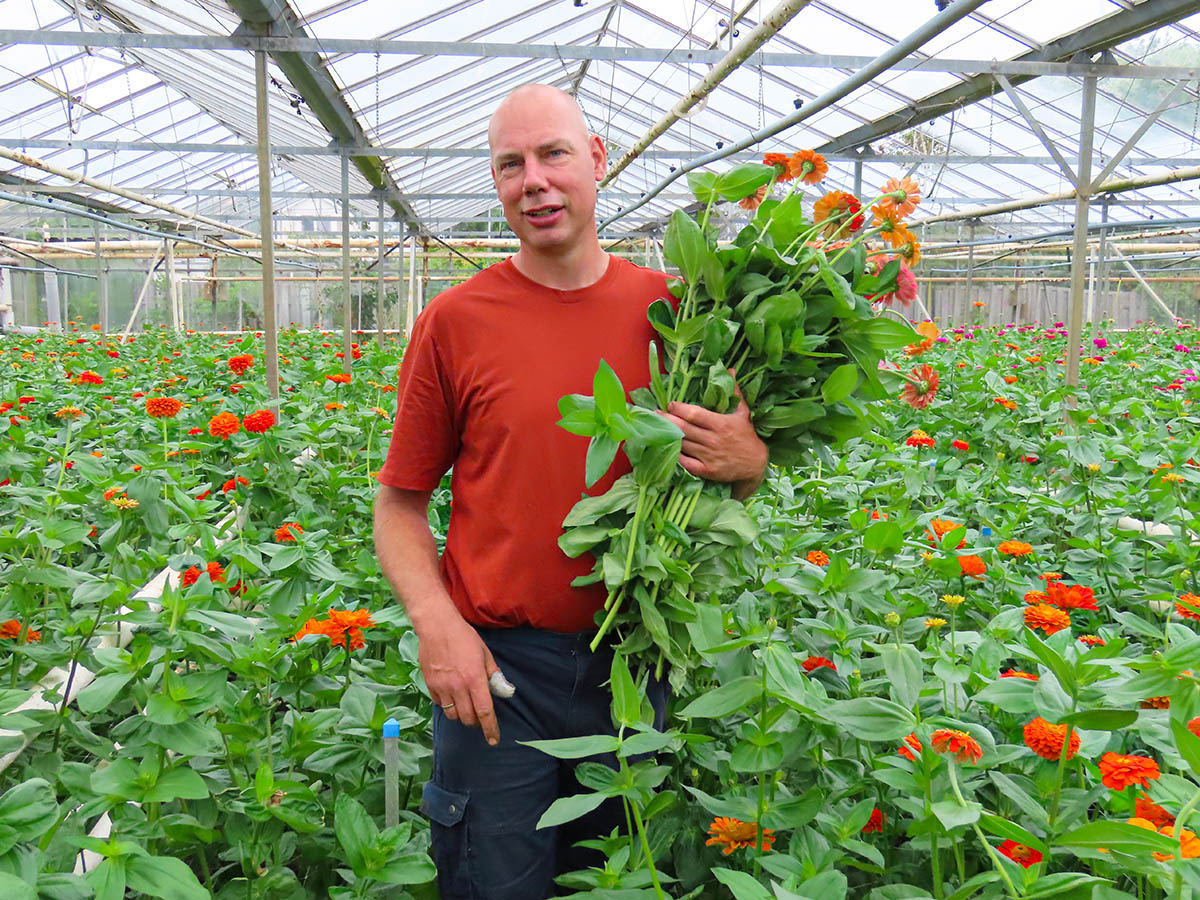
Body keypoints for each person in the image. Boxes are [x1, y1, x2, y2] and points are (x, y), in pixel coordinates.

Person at [373, 83, 768, 899]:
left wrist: (747, 459)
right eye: (510, 165)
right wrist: (437, 628)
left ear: (595, 160)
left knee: (613, 884)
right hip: (496, 672)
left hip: (633, 659)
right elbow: (400, 503)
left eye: (553, 153)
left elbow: (730, 471)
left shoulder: (679, 313)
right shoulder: (456, 320)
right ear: (496, 184)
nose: (535, 181)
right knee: (492, 882)